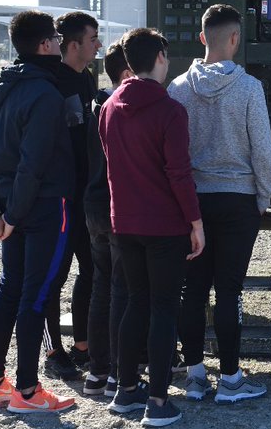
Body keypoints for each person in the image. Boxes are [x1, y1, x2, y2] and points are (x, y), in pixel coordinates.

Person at [168, 4, 271, 403]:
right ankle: (231, 378)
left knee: (191, 290)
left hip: (191, 201)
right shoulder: (249, 88)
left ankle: (196, 374)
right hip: (237, 200)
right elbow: (262, 148)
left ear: (202, 38)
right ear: (235, 38)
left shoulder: (177, 88)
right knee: (228, 290)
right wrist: (267, 194)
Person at [0, 10, 76, 414]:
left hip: (11, 209)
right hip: (45, 206)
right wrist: (9, 215)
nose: (59, 43)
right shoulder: (45, 95)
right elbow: (34, 163)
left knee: (9, 289)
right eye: (55, 37)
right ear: (45, 45)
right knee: (35, 297)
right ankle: (29, 393)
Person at [98, 28, 204, 428]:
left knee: (135, 302)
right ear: (160, 56)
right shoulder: (170, 110)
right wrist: (195, 222)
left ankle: (126, 390)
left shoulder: (109, 107)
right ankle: (158, 402)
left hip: (123, 222)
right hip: (164, 226)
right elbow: (179, 173)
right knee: (163, 308)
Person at [42, 11, 102, 380]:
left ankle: (83, 344)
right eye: (93, 38)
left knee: (92, 271)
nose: (98, 45)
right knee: (55, 276)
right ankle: (53, 350)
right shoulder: (50, 82)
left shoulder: (88, 78)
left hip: (87, 195)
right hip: (59, 199)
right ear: (74, 44)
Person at [81, 42, 133, 397]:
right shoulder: (123, 108)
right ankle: (117, 371)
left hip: (93, 205)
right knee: (121, 290)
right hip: (117, 208)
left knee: (101, 287)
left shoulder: (96, 104)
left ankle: (97, 372)